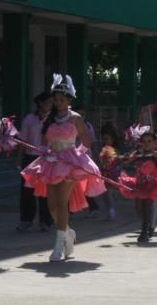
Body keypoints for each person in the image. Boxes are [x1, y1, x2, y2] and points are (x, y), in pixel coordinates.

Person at [21, 74, 106, 262]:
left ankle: (58, 246)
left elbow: (86, 141)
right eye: (56, 100)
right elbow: (44, 142)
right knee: (51, 205)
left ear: (69, 100)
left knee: (61, 203)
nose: (58, 103)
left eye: (62, 100)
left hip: (70, 163)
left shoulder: (75, 118)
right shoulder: (50, 118)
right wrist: (45, 151)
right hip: (52, 162)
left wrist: (78, 157)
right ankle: (68, 232)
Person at [118, 132, 157, 243]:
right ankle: (148, 224)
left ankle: (144, 231)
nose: (146, 144)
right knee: (138, 207)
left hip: (152, 184)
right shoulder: (138, 153)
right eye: (144, 141)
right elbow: (125, 163)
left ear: (155, 143)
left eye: (149, 141)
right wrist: (126, 158)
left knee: (147, 205)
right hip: (139, 183)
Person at [15, 91, 54, 232]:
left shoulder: (54, 119)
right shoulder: (29, 119)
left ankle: (46, 221)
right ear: (40, 103)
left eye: (52, 103)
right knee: (27, 190)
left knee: (45, 191)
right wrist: (18, 159)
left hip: (48, 159)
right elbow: (22, 140)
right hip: (30, 158)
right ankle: (26, 220)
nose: (51, 105)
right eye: (48, 102)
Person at [98, 126, 121, 221]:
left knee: (108, 194)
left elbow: (116, 162)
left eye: (107, 139)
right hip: (104, 173)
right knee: (105, 194)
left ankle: (111, 213)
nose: (105, 141)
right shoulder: (103, 149)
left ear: (112, 140)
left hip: (111, 173)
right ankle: (110, 212)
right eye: (104, 139)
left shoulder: (114, 150)